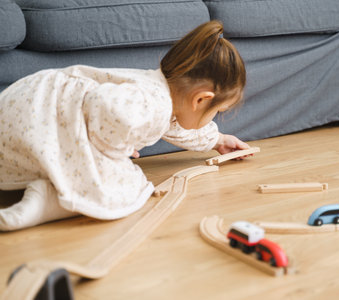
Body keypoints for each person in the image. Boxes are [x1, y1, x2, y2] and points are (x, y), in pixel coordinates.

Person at [0, 20, 249, 231]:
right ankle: (49, 200)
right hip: (42, 117)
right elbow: (105, 105)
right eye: (216, 112)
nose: (213, 117)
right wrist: (116, 147)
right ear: (200, 100)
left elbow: (176, 127)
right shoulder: (155, 104)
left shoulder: (158, 88)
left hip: (28, 104)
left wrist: (217, 140)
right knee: (130, 190)